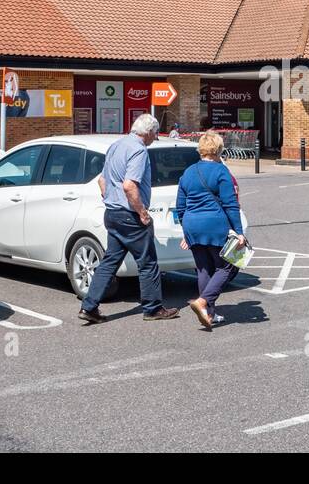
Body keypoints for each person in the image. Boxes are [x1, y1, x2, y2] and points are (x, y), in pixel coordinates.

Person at [78, 113, 179, 324]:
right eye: (154, 135)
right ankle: (152, 308)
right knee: (148, 262)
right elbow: (129, 185)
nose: (154, 139)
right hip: (130, 216)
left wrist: (110, 202)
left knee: (109, 261)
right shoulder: (138, 150)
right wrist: (142, 212)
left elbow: (102, 181)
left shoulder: (117, 145)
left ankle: (89, 306)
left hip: (113, 214)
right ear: (148, 132)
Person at [174, 132, 246, 330]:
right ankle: (203, 301)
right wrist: (239, 232)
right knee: (228, 265)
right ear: (218, 149)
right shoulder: (221, 171)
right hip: (214, 224)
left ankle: (209, 314)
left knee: (203, 268)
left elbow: (180, 205)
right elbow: (231, 204)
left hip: (191, 224)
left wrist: (186, 231)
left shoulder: (188, 172)